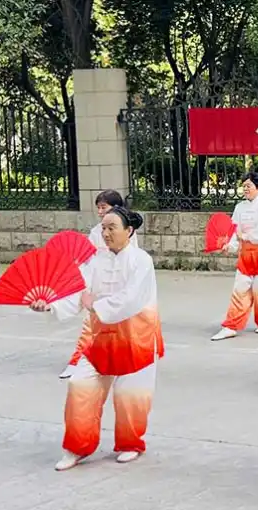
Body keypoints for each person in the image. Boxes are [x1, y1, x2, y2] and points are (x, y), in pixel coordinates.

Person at [30, 206, 163, 471]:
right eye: (103, 227)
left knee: (130, 395)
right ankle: (76, 447)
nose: (105, 232)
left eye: (112, 227)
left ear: (129, 230)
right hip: (101, 338)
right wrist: (51, 305)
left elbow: (131, 300)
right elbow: (78, 291)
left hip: (137, 337)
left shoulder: (141, 260)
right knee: (80, 386)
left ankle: (130, 443)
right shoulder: (95, 261)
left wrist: (94, 306)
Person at [59, 190, 140, 380]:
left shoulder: (128, 233)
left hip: (120, 285)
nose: (100, 211)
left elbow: (132, 258)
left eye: (104, 207)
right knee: (90, 326)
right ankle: (77, 361)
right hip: (99, 285)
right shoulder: (96, 232)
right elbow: (87, 256)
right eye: (99, 208)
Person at [211, 172, 258, 341]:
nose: (246, 189)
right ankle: (231, 325)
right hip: (247, 255)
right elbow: (234, 230)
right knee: (240, 289)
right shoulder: (239, 207)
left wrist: (247, 236)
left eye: (249, 186)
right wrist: (231, 245)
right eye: (244, 186)